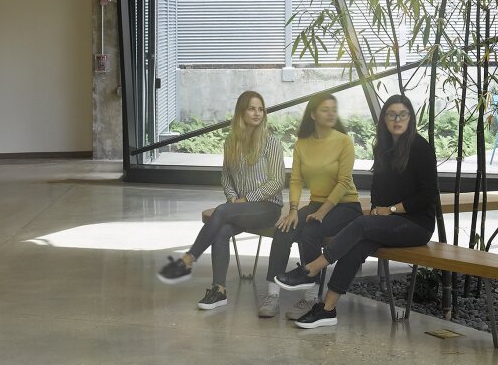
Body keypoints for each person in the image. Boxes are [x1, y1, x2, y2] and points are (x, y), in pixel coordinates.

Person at [289, 95, 442, 333]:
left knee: (361, 225)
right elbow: (377, 187)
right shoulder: (383, 146)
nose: (397, 119)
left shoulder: (421, 148)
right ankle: (328, 309)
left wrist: (390, 210)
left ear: (410, 118)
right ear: (384, 120)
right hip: (387, 222)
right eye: (391, 114)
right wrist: (377, 209)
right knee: (357, 245)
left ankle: (314, 267)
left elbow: (428, 194)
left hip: (416, 225)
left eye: (403, 114)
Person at [156, 92, 287, 311]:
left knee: (222, 213)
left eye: (261, 109)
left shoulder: (271, 142)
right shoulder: (231, 142)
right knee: (222, 229)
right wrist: (232, 198)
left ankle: (188, 260)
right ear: (241, 112)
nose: (257, 113)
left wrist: (245, 199)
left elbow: (277, 182)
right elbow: (226, 175)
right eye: (251, 109)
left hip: (267, 207)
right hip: (239, 207)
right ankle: (219, 290)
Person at [266, 93, 360, 303]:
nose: (331, 114)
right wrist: (293, 210)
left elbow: (344, 182)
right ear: (313, 115)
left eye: (334, 109)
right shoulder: (302, 144)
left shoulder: (344, 141)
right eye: (325, 109)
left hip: (346, 206)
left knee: (311, 231)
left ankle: (310, 296)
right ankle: (272, 294)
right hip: (317, 203)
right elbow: (296, 180)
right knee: (283, 229)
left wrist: (322, 212)